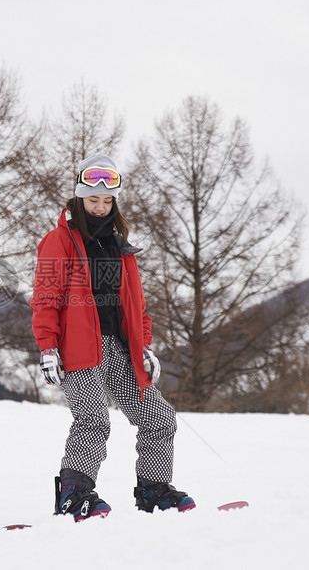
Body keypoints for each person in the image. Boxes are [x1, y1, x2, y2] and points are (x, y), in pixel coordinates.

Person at [30, 153, 195, 521]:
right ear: (78, 199)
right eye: (93, 199)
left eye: (108, 200)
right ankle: (74, 495)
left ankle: (154, 489)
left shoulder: (119, 245)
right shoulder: (59, 241)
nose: (101, 206)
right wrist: (48, 347)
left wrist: (145, 344)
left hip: (119, 347)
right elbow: (46, 297)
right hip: (79, 348)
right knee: (93, 420)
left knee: (159, 417)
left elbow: (136, 304)